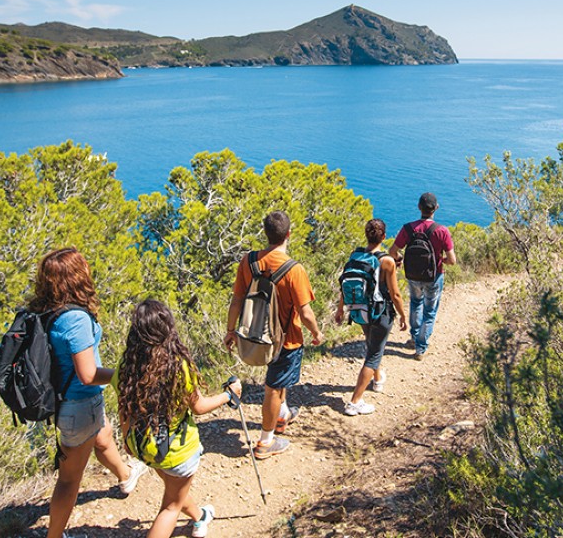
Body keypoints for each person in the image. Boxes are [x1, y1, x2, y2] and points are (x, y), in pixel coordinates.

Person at [31, 247, 148, 538]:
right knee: (69, 481)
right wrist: (126, 376)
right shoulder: (75, 319)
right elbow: (88, 374)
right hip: (79, 404)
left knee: (104, 435)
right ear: (76, 277)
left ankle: (125, 476)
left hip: (72, 402)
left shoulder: (49, 310)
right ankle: (54, 535)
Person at [116, 299, 242, 538]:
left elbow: (125, 407)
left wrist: (126, 440)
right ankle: (194, 519)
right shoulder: (177, 365)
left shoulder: (128, 365)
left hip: (145, 446)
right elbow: (199, 407)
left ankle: (199, 518)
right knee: (170, 506)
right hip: (177, 450)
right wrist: (228, 395)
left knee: (175, 491)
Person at [224, 210, 324, 459]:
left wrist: (230, 331)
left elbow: (236, 300)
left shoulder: (248, 262)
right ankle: (266, 442)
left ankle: (282, 416)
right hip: (287, 340)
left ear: (266, 234)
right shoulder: (294, 270)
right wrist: (316, 332)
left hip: (254, 334)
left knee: (279, 384)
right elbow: (306, 312)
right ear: (289, 234)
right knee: (273, 387)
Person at [336, 218, 408, 416]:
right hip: (380, 313)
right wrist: (403, 315)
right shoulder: (387, 261)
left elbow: (345, 283)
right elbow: (395, 294)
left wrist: (341, 309)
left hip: (359, 310)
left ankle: (377, 380)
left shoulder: (356, 255)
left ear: (366, 235)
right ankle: (354, 402)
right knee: (374, 354)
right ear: (384, 237)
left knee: (372, 344)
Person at [389, 193, 457, 360]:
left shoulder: (408, 228)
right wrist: (442, 260)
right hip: (434, 276)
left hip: (412, 274)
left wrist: (399, 259)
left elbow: (392, 251)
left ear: (419, 207)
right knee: (430, 310)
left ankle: (413, 337)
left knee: (415, 303)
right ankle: (420, 348)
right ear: (436, 208)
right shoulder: (442, 231)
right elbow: (452, 260)